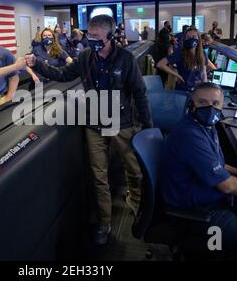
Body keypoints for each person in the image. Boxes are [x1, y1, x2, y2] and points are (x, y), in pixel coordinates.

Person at [25, 14, 152, 245]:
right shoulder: (84, 57)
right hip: (93, 123)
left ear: (109, 35)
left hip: (120, 123)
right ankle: (104, 221)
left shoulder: (124, 59)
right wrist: (39, 65)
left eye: (96, 36)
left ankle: (138, 202)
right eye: (89, 35)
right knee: (98, 174)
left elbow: (139, 93)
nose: (91, 39)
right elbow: (63, 75)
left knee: (134, 169)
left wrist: (147, 127)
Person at [160, 82, 237, 259]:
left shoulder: (205, 127)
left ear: (222, 105)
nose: (210, 108)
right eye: (202, 102)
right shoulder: (190, 135)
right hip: (197, 210)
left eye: (215, 103)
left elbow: (213, 162)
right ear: (191, 104)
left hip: (207, 196)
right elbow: (226, 186)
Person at [156, 26, 208, 92]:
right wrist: (177, 75)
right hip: (183, 91)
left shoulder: (203, 53)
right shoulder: (180, 53)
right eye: (188, 37)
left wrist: (206, 89)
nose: (191, 39)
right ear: (185, 39)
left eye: (194, 37)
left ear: (199, 39)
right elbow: (160, 64)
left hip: (197, 91)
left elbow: (203, 73)